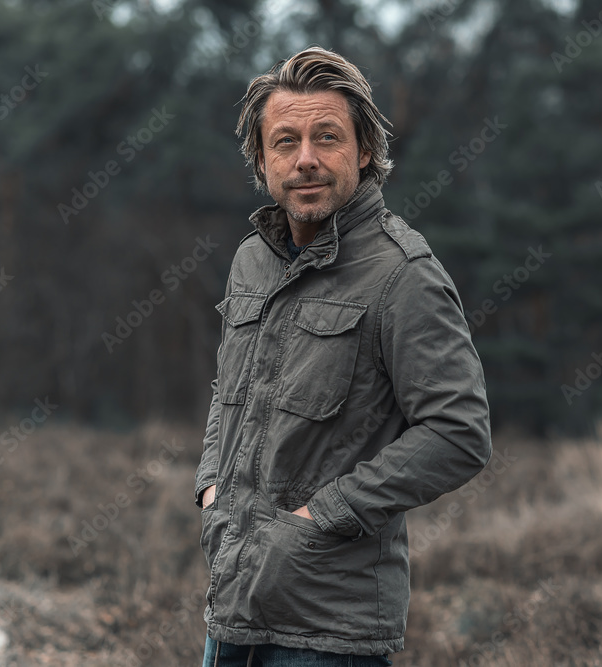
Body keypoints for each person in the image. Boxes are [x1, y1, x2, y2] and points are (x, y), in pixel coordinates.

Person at [194, 46, 492, 667]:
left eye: (326, 137)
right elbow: (232, 394)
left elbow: (458, 433)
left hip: (332, 632)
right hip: (231, 605)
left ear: (363, 152)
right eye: (285, 141)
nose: (306, 159)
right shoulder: (252, 259)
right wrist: (211, 488)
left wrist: (319, 517)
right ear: (261, 159)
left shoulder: (403, 275)